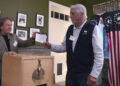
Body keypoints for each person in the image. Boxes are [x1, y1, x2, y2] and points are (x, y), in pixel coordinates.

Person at [43, 4, 104, 86]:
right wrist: (50, 46)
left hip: (86, 75)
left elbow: (99, 54)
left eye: (72, 14)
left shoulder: (92, 28)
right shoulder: (70, 29)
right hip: (70, 74)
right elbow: (64, 47)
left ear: (82, 14)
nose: (70, 16)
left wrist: (94, 75)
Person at [0, 17, 36, 86]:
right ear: (1, 26)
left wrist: (33, 38)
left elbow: (24, 43)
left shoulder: (14, 36)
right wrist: (6, 55)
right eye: (8, 25)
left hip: (14, 68)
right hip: (2, 69)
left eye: (11, 25)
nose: (10, 27)